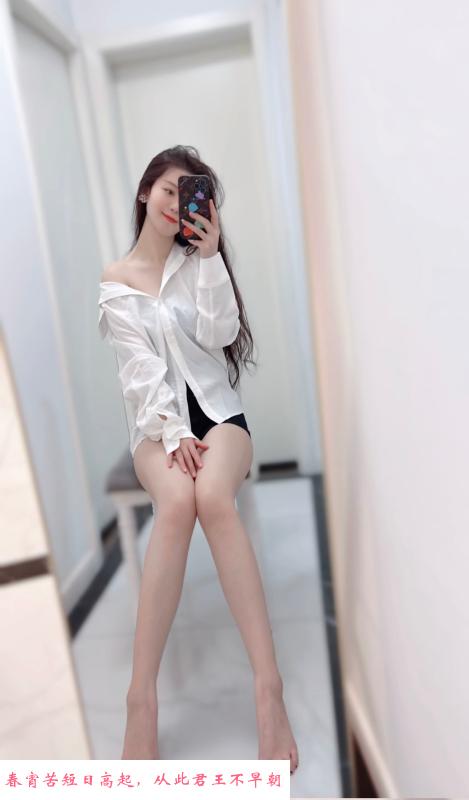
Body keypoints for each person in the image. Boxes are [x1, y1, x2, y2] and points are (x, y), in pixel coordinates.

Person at [98, 145, 298, 772]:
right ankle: (141, 699)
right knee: (177, 502)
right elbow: (138, 372)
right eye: (167, 189)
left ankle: (268, 688)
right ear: (145, 192)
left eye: (189, 193)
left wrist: (210, 258)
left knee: (212, 495)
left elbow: (220, 336)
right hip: (156, 428)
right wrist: (172, 432)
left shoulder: (198, 262)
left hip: (221, 415)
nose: (174, 203)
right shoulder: (116, 280)